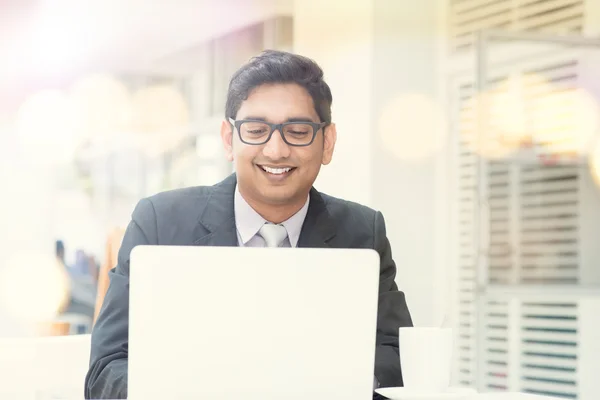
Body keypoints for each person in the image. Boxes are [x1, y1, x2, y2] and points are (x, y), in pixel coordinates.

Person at [85, 50, 413, 399]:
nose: (275, 150)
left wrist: (331, 380)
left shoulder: (362, 231)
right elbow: (107, 368)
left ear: (327, 142)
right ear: (229, 139)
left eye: (298, 131)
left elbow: (397, 357)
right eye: (256, 130)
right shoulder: (160, 222)